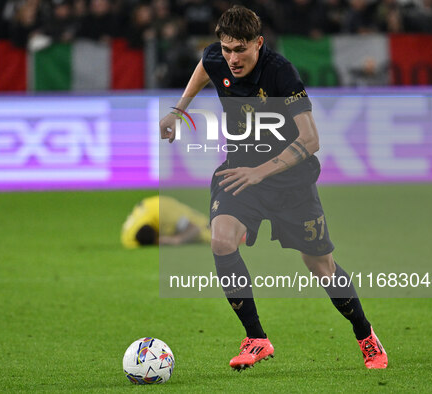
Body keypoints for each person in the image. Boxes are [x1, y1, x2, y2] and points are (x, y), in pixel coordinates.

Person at [159, 5, 387, 370]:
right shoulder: (217, 57)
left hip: (290, 183)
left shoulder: (280, 73)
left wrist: (260, 171)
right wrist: (177, 111)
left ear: (259, 43)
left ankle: (366, 336)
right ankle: (256, 338)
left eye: (241, 50)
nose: (232, 58)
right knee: (221, 239)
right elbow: (204, 69)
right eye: (227, 48)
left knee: (321, 267)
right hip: (240, 175)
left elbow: (311, 139)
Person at [121, 196, 212, 249]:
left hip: (205, 227)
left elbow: (194, 228)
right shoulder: (129, 236)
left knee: (210, 234)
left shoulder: (167, 214)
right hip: (155, 204)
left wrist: (177, 240)